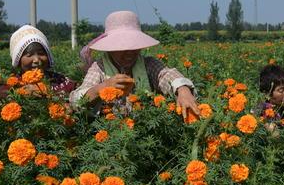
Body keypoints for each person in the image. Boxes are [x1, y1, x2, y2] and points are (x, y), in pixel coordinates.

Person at [70, 11, 199, 119]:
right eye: (122, 47)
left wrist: (183, 89)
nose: (129, 52)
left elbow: (166, 74)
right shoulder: (99, 68)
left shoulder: (147, 64)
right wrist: (103, 87)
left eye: (134, 46)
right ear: (109, 48)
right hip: (111, 137)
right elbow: (76, 100)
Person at [0, 25, 76, 98]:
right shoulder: (10, 86)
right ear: (18, 60)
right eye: (29, 55)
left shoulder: (62, 82)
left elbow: (78, 99)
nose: (37, 60)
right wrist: (21, 93)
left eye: (41, 53)